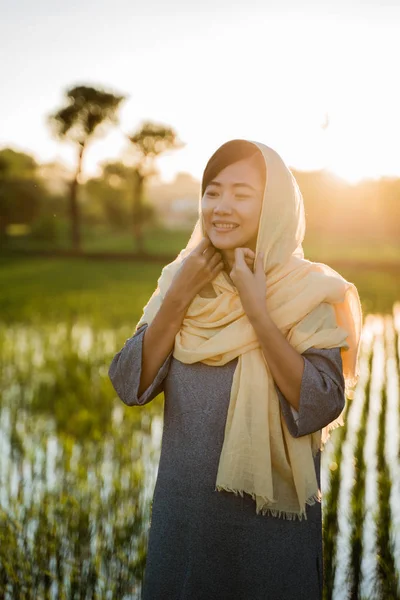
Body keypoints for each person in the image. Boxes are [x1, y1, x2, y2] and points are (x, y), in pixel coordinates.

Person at [108, 139, 362, 600]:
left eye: (242, 195)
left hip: (270, 536)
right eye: (213, 192)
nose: (221, 207)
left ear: (275, 206)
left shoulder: (305, 293)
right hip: (184, 529)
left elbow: (322, 402)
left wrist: (258, 311)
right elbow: (130, 382)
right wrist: (181, 297)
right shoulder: (181, 282)